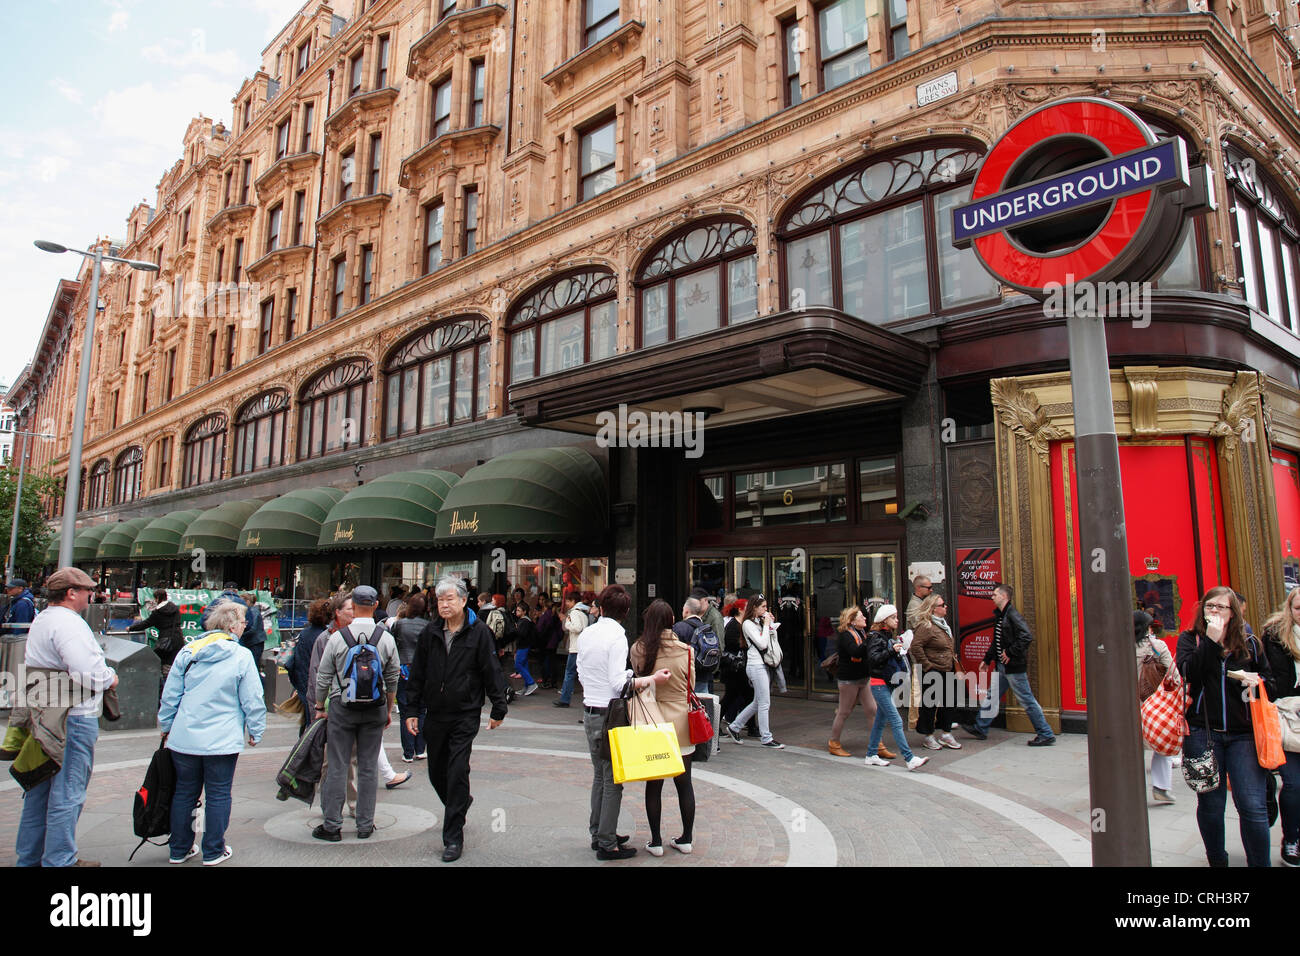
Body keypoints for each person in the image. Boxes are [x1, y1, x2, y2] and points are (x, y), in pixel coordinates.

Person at [13, 567, 118, 867]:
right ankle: (60, 859)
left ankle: (30, 857)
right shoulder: (69, 623)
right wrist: (110, 678)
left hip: (45, 713)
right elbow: (87, 671)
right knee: (67, 792)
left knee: (39, 791)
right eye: (87, 590)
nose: (91, 595)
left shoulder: (44, 618)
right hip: (71, 716)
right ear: (72, 593)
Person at [402, 576, 508, 862]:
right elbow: (418, 673)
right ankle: (459, 804)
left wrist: (499, 707)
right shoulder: (430, 633)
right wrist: (411, 709)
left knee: (458, 769)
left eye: (450, 598)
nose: (444, 604)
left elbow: (491, 669)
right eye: (440, 599)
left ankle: (452, 837)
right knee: (437, 772)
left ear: (463, 601)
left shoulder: (479, 633)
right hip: (435, 713)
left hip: (465, 712)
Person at [158, 600, 266, 865]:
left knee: (184, 791)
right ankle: (214, 849)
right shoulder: (241, 656)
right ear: (231, 625)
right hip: (222, 739)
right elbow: (252, 698)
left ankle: (179, 848)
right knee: (218, 793)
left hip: (184, 737)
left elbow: (171, 695)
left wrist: (166, 726)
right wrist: (256, 729)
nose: (245, 627)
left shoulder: (189, 651)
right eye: (243, 622)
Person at [1177, 586, 1276, 867]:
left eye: (1222, 607)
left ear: (1234, 612)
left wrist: (1257, 682)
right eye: (1210, 607)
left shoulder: (1250, 642)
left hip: (1243, 734)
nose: (1215, 612)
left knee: (1252, 806)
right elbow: (1188, 673)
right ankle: (1217, 860)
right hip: (1201, 732)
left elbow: (1271, 682)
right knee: (1210, 805)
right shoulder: (1190, 639)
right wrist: (1210, 641)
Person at [577, 584, 670, 859]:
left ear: (601, 608)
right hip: (610, 714)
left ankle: (598, 832)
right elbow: (619, 683)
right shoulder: (618, 637)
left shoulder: (587, 634)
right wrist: (652, 679)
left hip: (589, 710)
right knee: (613, 781)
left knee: (599, 777)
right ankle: (607, 843)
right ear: (626, 612)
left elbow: (581, 671)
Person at [312, 585, 401, 843]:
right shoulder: (385, 638)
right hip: (374, 707)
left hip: (342, 707)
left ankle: (332, 825)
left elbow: (323, 677)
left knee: (338, 765)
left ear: (354, 606)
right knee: (368, 766)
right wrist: (387, 707)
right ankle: (365, 824)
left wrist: (320, 707)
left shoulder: (338, 637)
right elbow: (393, 677)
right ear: (375, 606)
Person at [630, 599, 696, 856]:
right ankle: (687, 838)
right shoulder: (686, 650)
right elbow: (690, 683)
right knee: (684, 783)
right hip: (680, 720)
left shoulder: (639, 648)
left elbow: (637, 678)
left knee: (654, 784)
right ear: (672, 621)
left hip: (651, 719)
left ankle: (656, 841)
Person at [959, 583, 1056, 745]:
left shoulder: (1012, 615)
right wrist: (987, 659)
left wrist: (1010, 652)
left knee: (1026, 699)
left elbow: (1026, 636)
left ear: (1004, 596)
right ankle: (981, 728)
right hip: (1002, 666)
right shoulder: (1002, 615)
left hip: (1013, 667)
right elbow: (997, 640)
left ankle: (1045, 733)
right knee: (992, 696)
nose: (992, 597)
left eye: (995, 594)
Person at [863, 604, 929, 771]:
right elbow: (873, 659)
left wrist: (900, 648)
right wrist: (892, 651)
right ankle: (909, 758)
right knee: (896, 720)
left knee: (880, 720)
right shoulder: (875, 636)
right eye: (893, 617)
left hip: (885, 682)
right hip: (879, 684)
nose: (897, 620)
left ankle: (871, 754)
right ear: (885, 619)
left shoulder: (885, 635)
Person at [1262, 587, 1300, 867]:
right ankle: (1291, 839)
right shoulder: (1275, 635)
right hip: (1287, 716)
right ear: (1289, 607)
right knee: (1295, 784)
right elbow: (1270, 677)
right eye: (1298, 608)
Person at [724, 594, 784, 749]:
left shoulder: (758, 622)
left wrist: (769, 625)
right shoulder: (748, 624)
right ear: (755, 607)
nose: (766, 609)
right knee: (764, 702)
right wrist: (766, 625)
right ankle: (766, 737)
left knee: (758, 701)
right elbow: (762, 644)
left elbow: (771, 640)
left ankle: (735, 726)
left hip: (762, 664)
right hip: (756, 666)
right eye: (763, 606)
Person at [1134, 609, 1176, 805]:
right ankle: (1161, 787)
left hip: (1125, 703)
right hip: (1153, 703)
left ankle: (1130, 788)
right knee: (1162, 746)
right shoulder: (1156, 646)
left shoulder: (1117, 646)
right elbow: (1173, 675)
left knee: (1131, 747)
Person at [911, 594, 963, 751]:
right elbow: (916, 647)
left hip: (947, 668)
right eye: (942, 605)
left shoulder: (942, 624)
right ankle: (928, 736)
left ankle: (946, 733)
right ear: (933, 609)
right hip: (933, 670)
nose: (946, 606)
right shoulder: (926, 626)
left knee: (950, 701)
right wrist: (927, 665)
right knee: (930, 704)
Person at [828, 607, 878, 757]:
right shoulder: (846, 636)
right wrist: (869, 639)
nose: (864, 619)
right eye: (861, 617)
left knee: (872, 710)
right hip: (849, 680)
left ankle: (877, 743)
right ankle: (834, 743)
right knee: (844, 711)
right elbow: (855, 652)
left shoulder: (862, 633)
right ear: (852, 620)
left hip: (864, 677)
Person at [128, 588, 183, 703]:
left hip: (165, 642)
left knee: (162, 667)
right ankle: (175, 695)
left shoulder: (158, 613)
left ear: (157, 598)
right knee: (174, 666)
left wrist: (131, 627)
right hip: (178, 640)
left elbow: (146, 623)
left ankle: (164, 696)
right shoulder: (175, 608)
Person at [393, 593, 429, 761]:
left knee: (405, 711)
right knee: (422, 710)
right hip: (422, 670)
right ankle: (420, 749)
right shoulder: (428, 626)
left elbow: (393, 644)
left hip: (404, 669)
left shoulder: (399, 625)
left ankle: (407, 752)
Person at [288, 598, 331, 735]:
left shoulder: (304, 633)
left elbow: (292, 662)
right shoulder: (324, 637)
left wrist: (298, 685)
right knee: (316, 726)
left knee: (308, 723)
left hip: (303, 683)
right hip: (316, 685)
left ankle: (304, 747)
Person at [201, 582, 265, 671]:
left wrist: (214, 630)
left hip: (215, 640)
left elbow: (203, 621)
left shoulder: (216, 601)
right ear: (236, 591)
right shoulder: (242, 603)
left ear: (223, 590)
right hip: (237, 641)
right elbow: (249, 624)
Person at [553, 589, 590, 708]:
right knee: (582, 674)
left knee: (569, 673)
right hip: (583, 647)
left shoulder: (574, 613)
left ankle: (565, 699)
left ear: (573, 601)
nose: (567, 604)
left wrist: (567, 624)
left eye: (568, 601)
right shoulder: (583, 612)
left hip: (575, 648)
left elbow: (577, 628)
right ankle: (589, 699)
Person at [672, 594, 714, 694]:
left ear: (686, 611)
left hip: (685, 677)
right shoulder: (707, 628)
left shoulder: (679, 628)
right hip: (703, 675)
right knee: (700, 706)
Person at [512, 601, 539, 696]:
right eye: (517, 610)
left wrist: (515, 629)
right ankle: (527, 686)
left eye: (519, 610)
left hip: (523, 646)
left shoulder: (525, 621)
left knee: (518, 664)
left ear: (524, 611)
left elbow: (521, 634)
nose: (516, 611)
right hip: (523, 646)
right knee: (524, 665)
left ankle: (531, 683)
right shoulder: (524, 621)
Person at [536, 594, 562, 688]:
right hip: (553, 642)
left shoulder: (545, 616)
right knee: (553, 661)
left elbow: (539, 628)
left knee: (544, 662)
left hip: (545, 641)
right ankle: (553, 681)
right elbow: (560, 630)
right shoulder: (555, 616)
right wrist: (558, 638)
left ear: (545, 606)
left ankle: (545, 680)